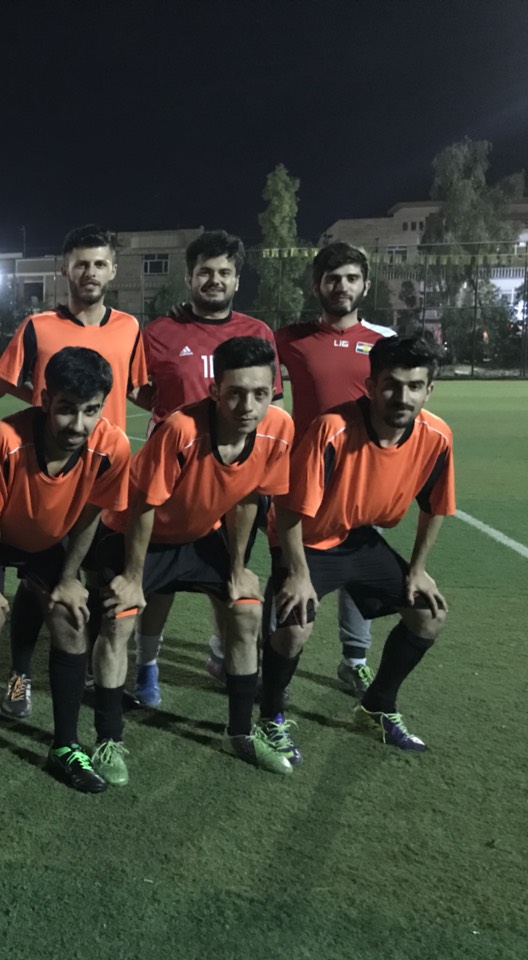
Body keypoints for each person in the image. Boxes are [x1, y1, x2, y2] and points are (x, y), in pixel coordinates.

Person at [88, 337, 295, 784]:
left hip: (200, 535)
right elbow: (143, 505)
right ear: (215, 390)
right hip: (135, 534)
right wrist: (133, 578)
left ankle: (241, 732)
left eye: (260, 394)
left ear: (272, 391)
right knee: (119, 619)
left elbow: (248, 497)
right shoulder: (181, 429)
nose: (248, 406)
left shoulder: (279, 428)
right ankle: (108, 739)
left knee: (246, 612)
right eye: (236, 393)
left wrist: (238, 568)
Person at [259, 335, 454, 763]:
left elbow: (435, 506)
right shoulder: (333, 428)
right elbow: (287, 510)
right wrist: (298, 574)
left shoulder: (437, 436)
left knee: (428, 615)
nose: (402, 397)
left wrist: (418, 569)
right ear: (371, 386)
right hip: (305, 540)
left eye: (414, 386)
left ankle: (377, 706)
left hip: (358, 537)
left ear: (429, 390)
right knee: (295, 626)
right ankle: (269, 716)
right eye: (392, 385)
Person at [0, 224, 147, 719]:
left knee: (96, 586)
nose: (90, 272)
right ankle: (19, 673)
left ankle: (89, 674)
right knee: (37, 582)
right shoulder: (38, 326)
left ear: (113, 270)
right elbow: (3, 383)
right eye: (81, 263)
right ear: (65, 269)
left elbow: (140, 390)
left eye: (100, 263)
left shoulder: (129, 327)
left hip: (102, 476)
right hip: (44, 476)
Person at [0, 347, 131, 801]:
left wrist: (70, 578)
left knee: (71, 618)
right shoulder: (5, 438)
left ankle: (65, 746)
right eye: (67, 409)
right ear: (44, 400)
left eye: (91, 410)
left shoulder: (112, 446)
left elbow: (91, 514)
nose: (78, 423)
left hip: (50, 539)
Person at [127, 230, 283, 707]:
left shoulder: (258, 332)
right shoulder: (159, 332)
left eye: (224, 273)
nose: (214, 280)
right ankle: (147, 666)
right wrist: (172, 421)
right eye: (205, 272)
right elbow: (139, 390)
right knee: (163, 580)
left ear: (236, 279)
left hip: (236, 474)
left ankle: (221, 653)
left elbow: (271, 399)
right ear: (190, 277)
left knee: (229, 572)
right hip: (174, 471)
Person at [267, 242, 394, 696]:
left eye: (351, 278)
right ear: (316, 286)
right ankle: (272, 657)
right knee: (289, 565)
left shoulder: (384, 342)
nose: (342, 286)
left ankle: (354, 660)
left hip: (364, 473)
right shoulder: (288, 339)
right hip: (303, 475)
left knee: (358, 565)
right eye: (332, 278)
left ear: (365, 285)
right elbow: (240, 354)